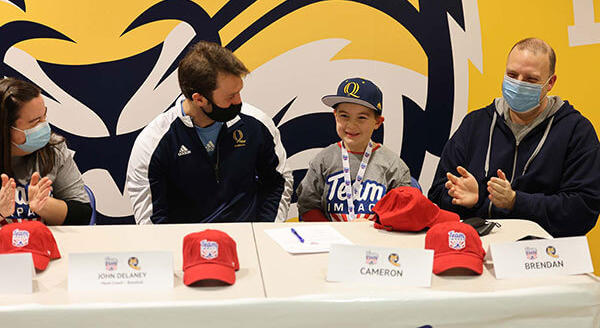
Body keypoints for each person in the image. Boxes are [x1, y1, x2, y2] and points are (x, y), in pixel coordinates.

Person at [428, 37, 600, 237]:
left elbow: (583, 210)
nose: (518, 84)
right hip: (477, 247)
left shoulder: (576, 131)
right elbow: (437, 193)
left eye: (530, 79)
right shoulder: (475, 124)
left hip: (546, 255)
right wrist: (469, 199)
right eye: (512, 74)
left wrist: (515, 202)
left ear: (550, 82)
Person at [126, 41, 293, 224]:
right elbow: (151, 222)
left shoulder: (256, 124)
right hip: (185, 247)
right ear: (199, 99)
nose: (239, 101)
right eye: (230, 96)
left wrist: (264, 232)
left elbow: (278, 182)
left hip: (248, 243)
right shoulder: (153, 143)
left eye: (239, 91)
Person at [296, 78, 411, 222]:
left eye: (361, 117)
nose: (351, 125)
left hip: (376, 240)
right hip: (331, 240)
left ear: (377, 122)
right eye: (344, 116)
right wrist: (333, 235)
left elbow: (404, 212)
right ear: (335, 116)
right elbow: (308, 205)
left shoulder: (393, 166)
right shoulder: (323, 160)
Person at [0, 78, 91, 226]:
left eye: (44, 116)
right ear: (6, 128)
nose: (44, 126)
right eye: (36, 121)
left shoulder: (54, 148)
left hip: (46, 246)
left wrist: (45, 205)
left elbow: (83, 214)